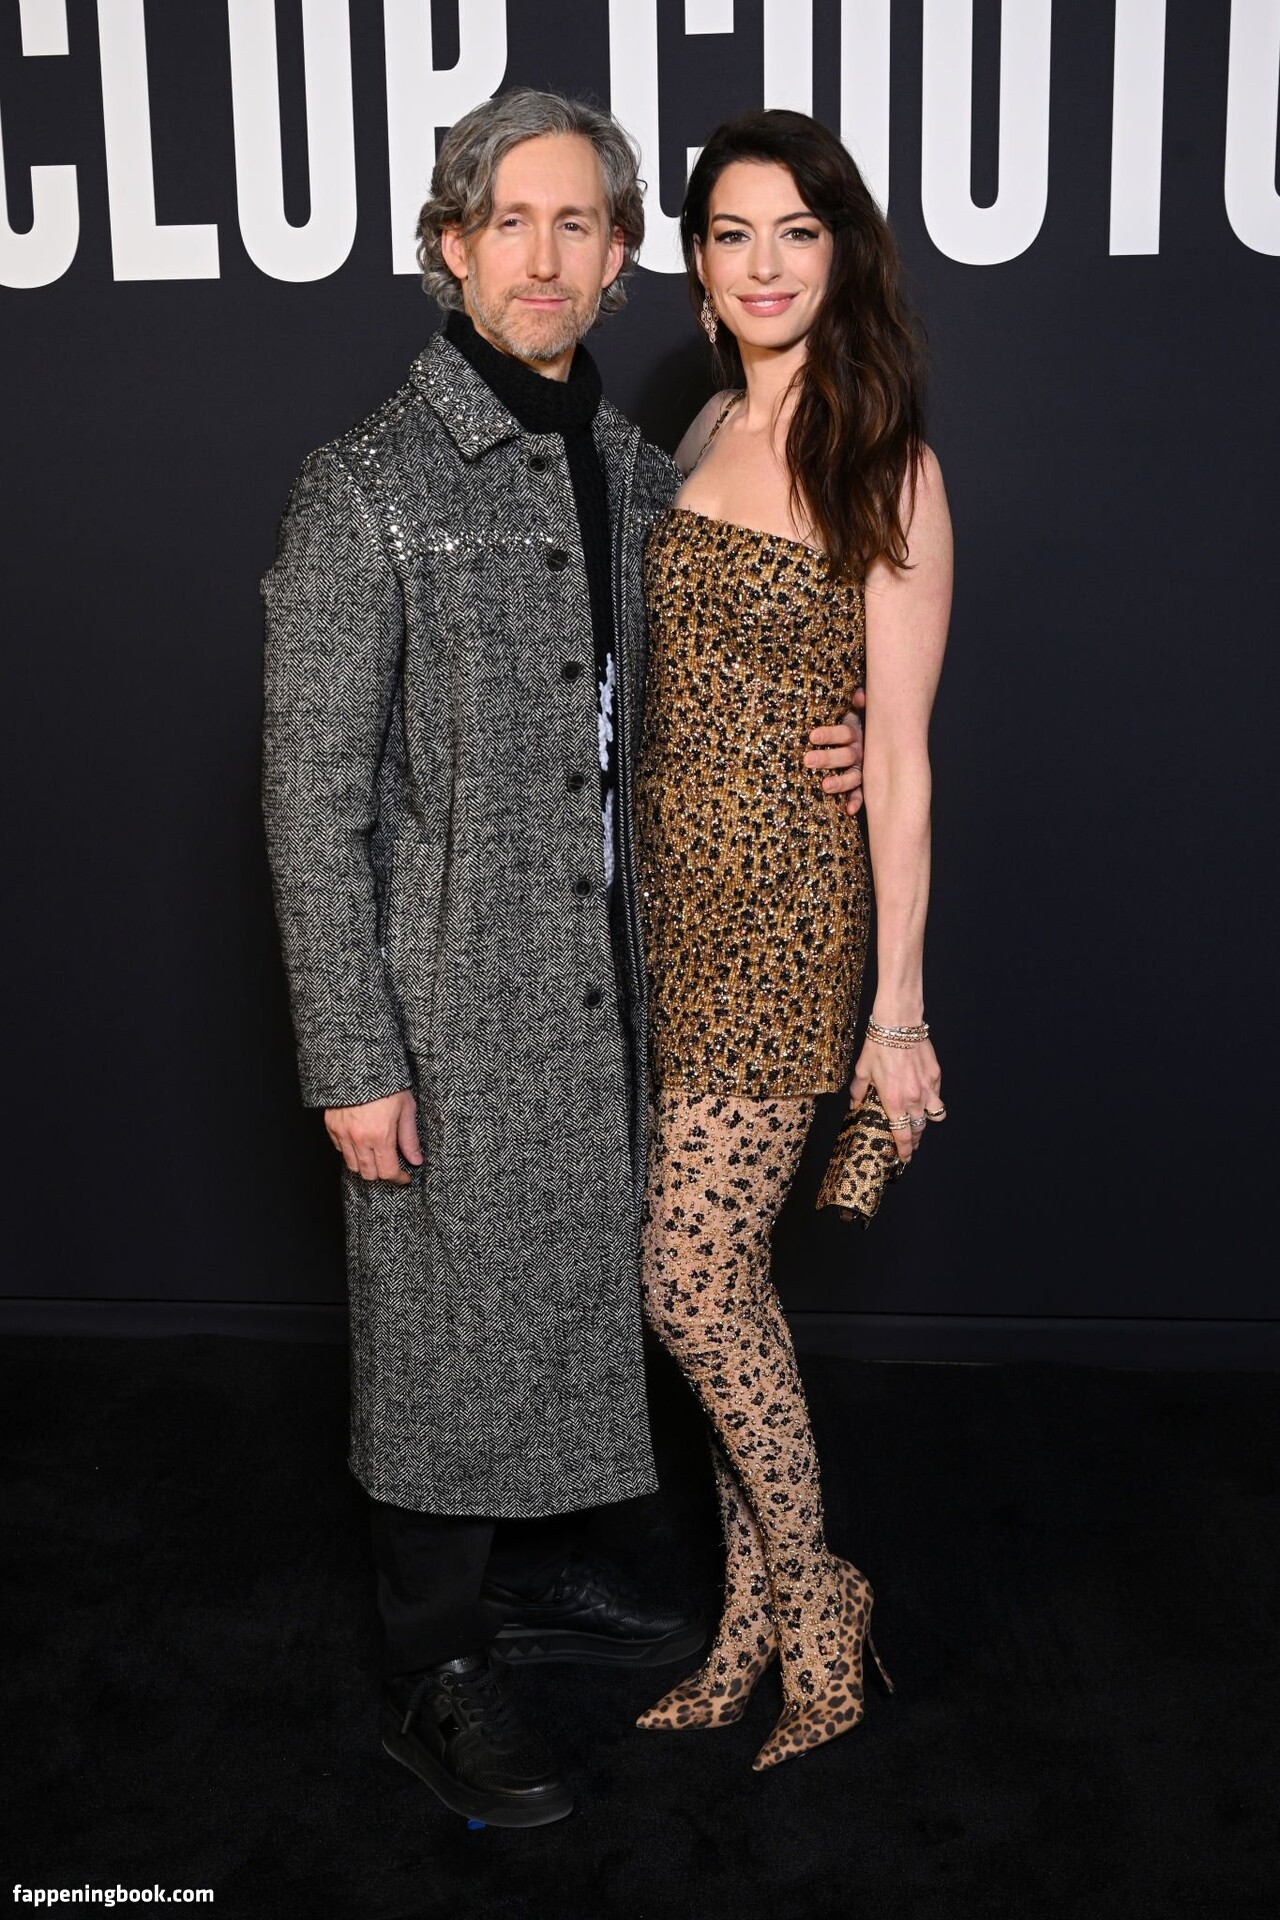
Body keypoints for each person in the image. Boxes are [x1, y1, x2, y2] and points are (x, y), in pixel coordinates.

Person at [260, 90, 865, 1828]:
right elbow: (310, 795)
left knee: (579, 1296)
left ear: (617, 264)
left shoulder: (632, 468)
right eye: (508, 222)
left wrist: (834, 732)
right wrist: (352, 1053)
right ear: (451, 249)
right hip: (452, 1000)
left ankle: (542, 1575)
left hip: (625, 985)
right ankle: (433, 1663)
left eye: (577, 223)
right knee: (442, 1323)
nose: (542, 256)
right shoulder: (367, 484)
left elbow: (717, 679)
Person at [633, 110, 952, 1771]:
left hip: (784, 917)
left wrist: (896, 1014)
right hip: (664, 913)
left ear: (844, 252)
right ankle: (747, 1621)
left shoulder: (881, 454)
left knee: (687, 1276)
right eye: (732, 234)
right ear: (698, 262)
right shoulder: (699, 422)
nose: (764, 265)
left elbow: (896, 757)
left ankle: (819, 1601)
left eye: (797, 232)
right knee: (726, 1288)